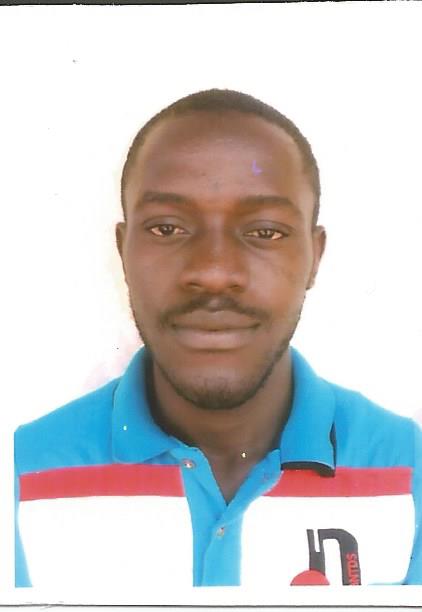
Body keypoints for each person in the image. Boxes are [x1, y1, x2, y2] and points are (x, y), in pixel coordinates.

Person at [14, 89, 422, 589]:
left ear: (315, 257)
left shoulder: (409, 469)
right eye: (167, 228)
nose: (212, 272)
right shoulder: (20, 473)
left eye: (264, 232)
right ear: (123, 251)